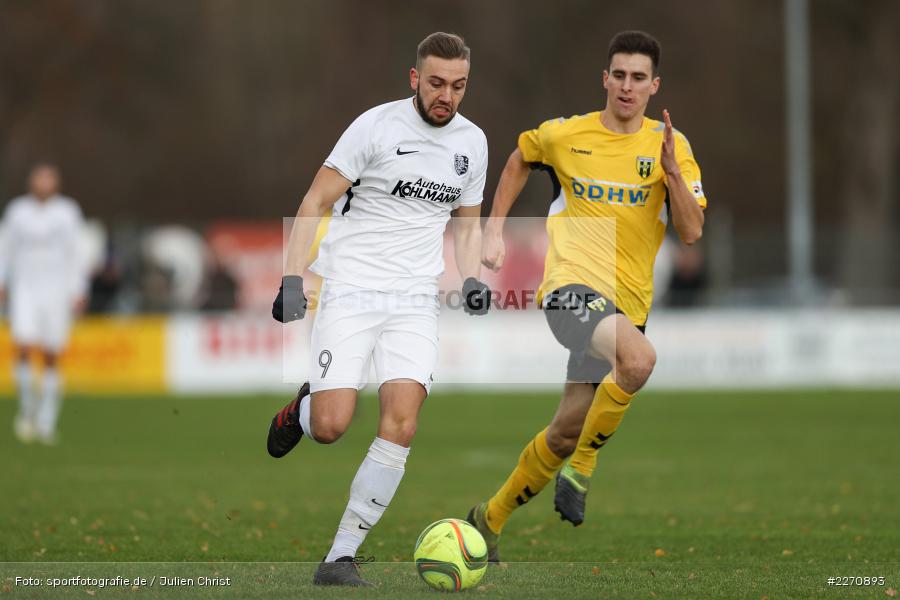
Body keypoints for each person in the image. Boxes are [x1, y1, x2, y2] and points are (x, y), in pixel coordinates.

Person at [468, 31, 707, 562]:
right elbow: (518, 159)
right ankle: (583, 468)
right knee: (640, 360)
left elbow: (691, 231)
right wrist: (493, 228)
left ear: (654, 86)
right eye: (618, 75)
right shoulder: (564, 135)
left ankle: (488, 519)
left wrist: (670, 171)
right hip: (570, 290)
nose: (627, 86)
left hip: (626, 308)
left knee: (563, 433)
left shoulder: (673, 147)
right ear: (605, 78)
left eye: (638, 78)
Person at [267, 32, 491, 586]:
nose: (447, 95)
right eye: (436, 82)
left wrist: (472, 277)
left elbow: (467, 225)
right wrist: (293, 278)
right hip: (349, 288)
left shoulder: (473, 143)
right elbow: (315, 201)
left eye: (458, 86)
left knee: (402, 423)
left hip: (414, 299)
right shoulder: (375, 127)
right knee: (331, 426)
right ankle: (302, 410)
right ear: (414, 78)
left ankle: (339, 558)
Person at [0, 163, 88, 445]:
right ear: (31, 183)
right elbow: (5, 248)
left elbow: (77, 252)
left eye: (48, 179)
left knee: (52, 354)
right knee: (23, 347)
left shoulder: (68, 212)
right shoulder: (17, 212)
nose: (43, 184)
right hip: (25, 288)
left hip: (57, 291)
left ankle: (46, 420)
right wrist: (2, 281)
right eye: (39, 179)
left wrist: (78, 289)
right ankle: (27, 409)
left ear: (56, 183)